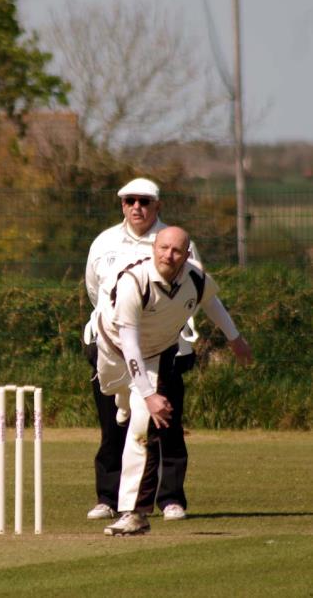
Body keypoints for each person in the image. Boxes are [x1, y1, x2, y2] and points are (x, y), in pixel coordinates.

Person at [95, 226, 252, 535]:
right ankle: (124, 399)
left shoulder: (194, 277)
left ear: (186, 254)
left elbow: (211, 302)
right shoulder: (134, 282)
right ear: (154, 248)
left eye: (177, 251)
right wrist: (145, 393)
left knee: (142, 429)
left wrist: (235, 338)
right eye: (164, 248)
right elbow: (129, 343)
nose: (169, 255)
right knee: (113, 391)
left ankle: (134, 513)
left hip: (156, 356)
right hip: (112, 348)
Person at [84, 178, 201, 522]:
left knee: (165, 421)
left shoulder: (176, 241)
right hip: (110, 343)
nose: (137, 207)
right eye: (130, 201)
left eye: (145, 201)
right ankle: (109, 497)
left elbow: (196, 291)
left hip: (166, 347)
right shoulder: (104, 242)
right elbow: (96, 291)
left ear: (157, 205)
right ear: (122, 205)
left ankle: (170, 498)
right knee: (113, 422)